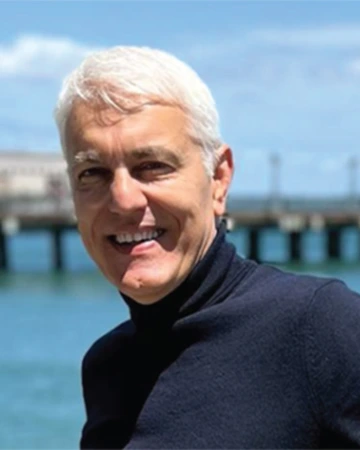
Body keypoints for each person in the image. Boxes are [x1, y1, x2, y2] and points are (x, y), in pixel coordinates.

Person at [54, 46, 360, 449]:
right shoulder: (107, 365)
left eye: (153, 166)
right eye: (93, 173)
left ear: (218, 179)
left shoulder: (320, 326)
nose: (123, 200)